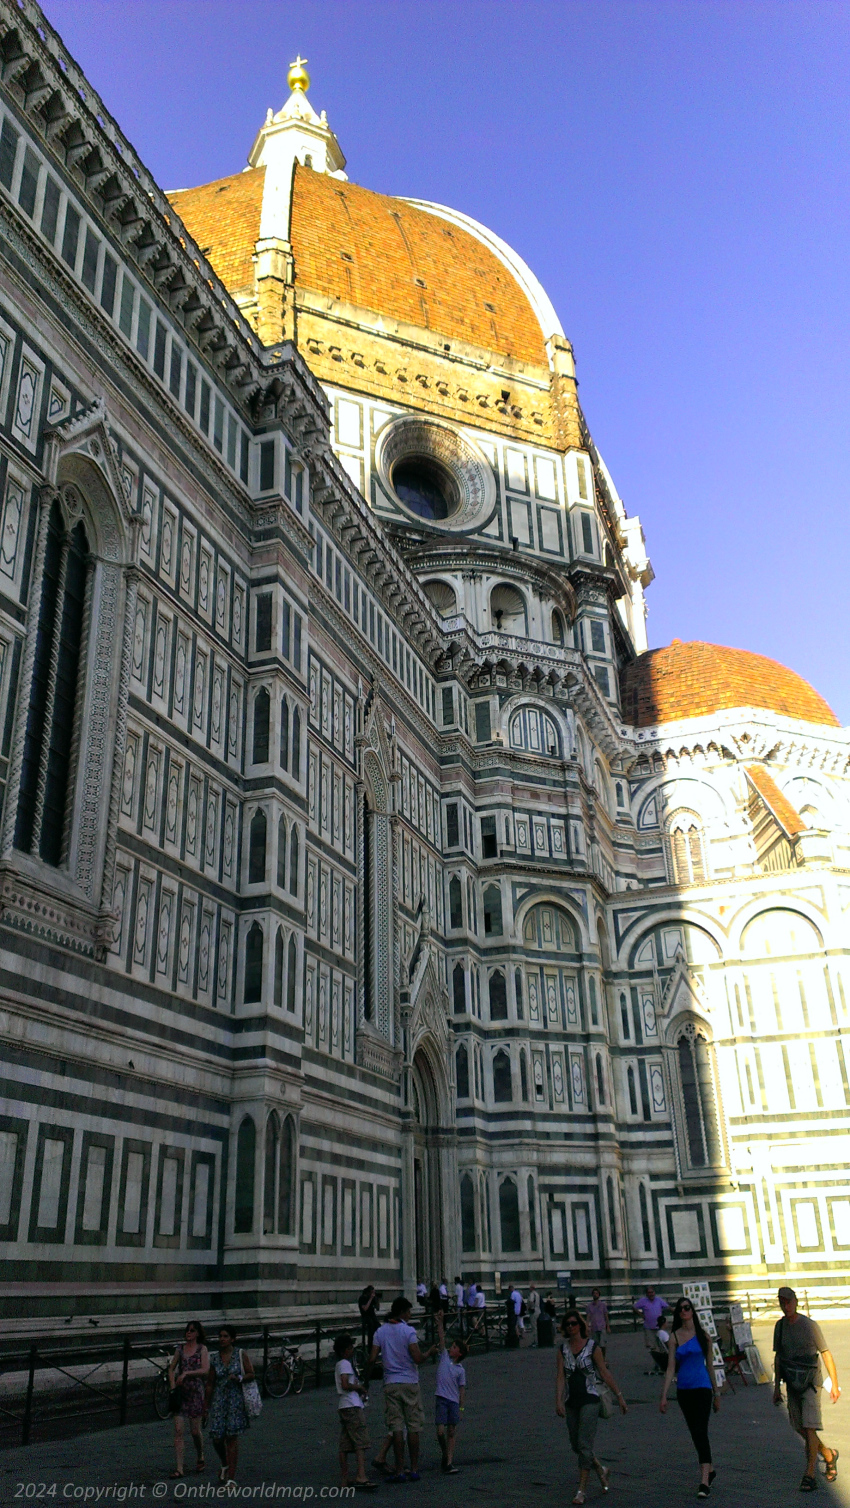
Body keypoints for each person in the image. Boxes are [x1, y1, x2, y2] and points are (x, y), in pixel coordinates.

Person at [556, 1309, 627, 1505]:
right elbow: (561, 1377)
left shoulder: (592, 1347)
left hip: (590, 1399)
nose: (571, 1327)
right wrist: (558, 1400)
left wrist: (619, 1396)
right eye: (567, 1324)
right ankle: (600, 1469)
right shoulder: (562, 1350)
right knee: (576, 1444)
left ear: (580, 1325)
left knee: (585, 1445)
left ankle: (581, 1490)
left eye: (574, 1323)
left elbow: (604, 1372)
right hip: (572, 1401)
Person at [773, 1286, 840, 1491]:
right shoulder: (780, 1327)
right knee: (799, 1427)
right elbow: (778, 1357)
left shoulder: (809, 1325)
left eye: (789, 1301)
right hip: (792, 1383)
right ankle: (828, 1455)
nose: (786, 1306)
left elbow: (825, 1353)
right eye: (782, 1302)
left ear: (795, 1301)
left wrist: (834, 1384)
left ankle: (809, 1474)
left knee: (810, 1426)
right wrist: (777, 1386)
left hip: (811, 1382)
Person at [659, 1298, 721, 1498]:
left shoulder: (704, 1336)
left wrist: (717, 1393)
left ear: (693, 1311)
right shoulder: (674, 1337)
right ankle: (709, 1470)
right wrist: (664, 1396)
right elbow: (670, 1368)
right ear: (677, 1314)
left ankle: (704, 1482)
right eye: (681, 1309)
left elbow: (710, 1366)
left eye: (687, 1308)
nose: (684, 1311)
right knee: (695, 1432)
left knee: (701, 1431)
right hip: (684, 1391)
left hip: (703, 1388)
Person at [369, 1295, 433, 1482]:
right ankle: (413, 1469)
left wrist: (365, 1380)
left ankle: (398, 1470)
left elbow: (372, 1358)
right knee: (413, 1426)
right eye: (409, 1311)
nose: (410, 1314)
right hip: (410, 1382)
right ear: (403, 1312)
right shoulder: (408, 1331)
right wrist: (429, 1352)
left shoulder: (380, 1331)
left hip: (390, 1383)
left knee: (396, 1427)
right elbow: (418, 1358)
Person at [205, 1326, 254, 1485]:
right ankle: (224, 1463)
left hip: (235, 1401)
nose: (222, 1339)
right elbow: (210, 1383)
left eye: (225, 1336)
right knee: (217, 1438)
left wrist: (239, 1378)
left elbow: (251, 1373)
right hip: (219, 1401)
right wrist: (206, 1405)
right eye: (220, 1336)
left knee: (231, 1438)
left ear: (232, 1339)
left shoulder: (240, 1354)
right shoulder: (214, 1358)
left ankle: (231, 1478)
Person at [334, 1333, 377, 1492]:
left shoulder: (340, 1364)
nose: (352, 1350)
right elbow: (346, 1384)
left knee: (345, 1444)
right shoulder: (345, 1364)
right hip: (352, 1405)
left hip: (344, 1405)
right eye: (350, 1348)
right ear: (345, 1350)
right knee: (360, 1441)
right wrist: (358, 1387)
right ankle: (361, 1475)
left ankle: (345, 1479)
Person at [167, 1320, 209, 1478]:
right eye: (187, 1330)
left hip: (196, 1393)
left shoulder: (202, 1349)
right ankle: (179, 1468)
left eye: (192, 1331)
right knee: (178, 1431)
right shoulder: (180, 1349)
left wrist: (187, 1374)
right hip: (181, 1394)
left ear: (197, 1333)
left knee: (194, 1431)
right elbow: (171, 1368)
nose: (188, 1333)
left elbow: (205, 1370)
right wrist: (172, 1387)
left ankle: (200, 1455)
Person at [434, 1307, 467, 1473]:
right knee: (440, 1432)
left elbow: (462, 1390)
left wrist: (461, 1407)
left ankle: (449, 1462)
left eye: (454, 1347)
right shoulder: (444, 1357)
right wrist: (440, 1323)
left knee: (451, 1431)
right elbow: (441, 1338)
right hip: (441, 1398)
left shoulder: (460, 1370)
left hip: (453, 1401)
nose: (450, 1348)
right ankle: (445, 1453)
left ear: (459, 1353)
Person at [634, 1286, 669, 1372]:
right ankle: (656, 1363)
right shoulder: (643, 1301)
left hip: (659, 1328)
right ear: (646, 1294)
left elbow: (667, 1306)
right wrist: (641, 1315)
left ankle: (662, 1362)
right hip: (649, 1328)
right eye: (649, 1293)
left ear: (654, 1293)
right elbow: (634, 1307)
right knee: (653, 1346)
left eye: (652, 1292)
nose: (651, 1294)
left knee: (661, 1346)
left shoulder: (659, 1300)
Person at [585, 1289, 610, 1353]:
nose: (595, 1295)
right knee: (595, 1345)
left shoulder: (603, 1305)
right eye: (594, 1293)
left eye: (596, 1293)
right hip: (594, 1327)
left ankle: (603, 1359)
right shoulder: (589, 1306)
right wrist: (587, 1326)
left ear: (599, 1295)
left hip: (602, 1326)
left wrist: (608, 1326)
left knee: (602, 1344)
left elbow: (606, 1316)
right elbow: (588, 1317)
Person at [358, 1285, 380, 1351]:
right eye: (372, 1292)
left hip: (372, 1315)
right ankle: (370, 1347)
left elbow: (377, 1308)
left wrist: (377, 1300)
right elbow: (365, 1309)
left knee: (378, 1327)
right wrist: (370, 1299)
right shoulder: (363, 1298)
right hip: (366, 1316)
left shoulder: (372, 1298)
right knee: (371, 1327)